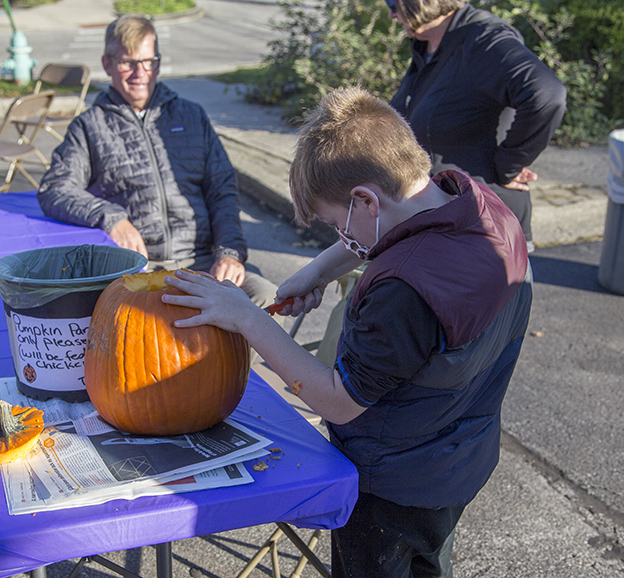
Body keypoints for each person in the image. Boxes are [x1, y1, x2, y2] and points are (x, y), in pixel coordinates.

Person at [161, 86, 533, 578]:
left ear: (365, 200)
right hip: (459, 453)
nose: (342, 238)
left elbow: (338, 400)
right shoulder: (475, 199)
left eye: (337, 224)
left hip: (394, 483)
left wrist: (246, 319)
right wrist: (318, 270)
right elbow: (395, 224)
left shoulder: (403, 294)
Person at [37, 14, 276, 308]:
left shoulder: (191, 116)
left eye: (148, 61)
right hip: (141, 270)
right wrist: (113, 219)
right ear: (107, 64)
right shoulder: (89, 126)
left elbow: (222, 190)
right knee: (156, 328)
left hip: (201, 261)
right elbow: (54, 189)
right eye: (127, 62)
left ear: (158, 63)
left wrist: (229, 254)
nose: (140, 73)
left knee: (265, 297)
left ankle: (238, 357)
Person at [386, 0, 567, 252]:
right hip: (440, 222)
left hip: (482, 229)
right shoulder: (429, 45)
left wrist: (509, 164)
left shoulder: (484, 40)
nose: (392, 14)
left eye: (392, 3)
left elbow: (546, 95)